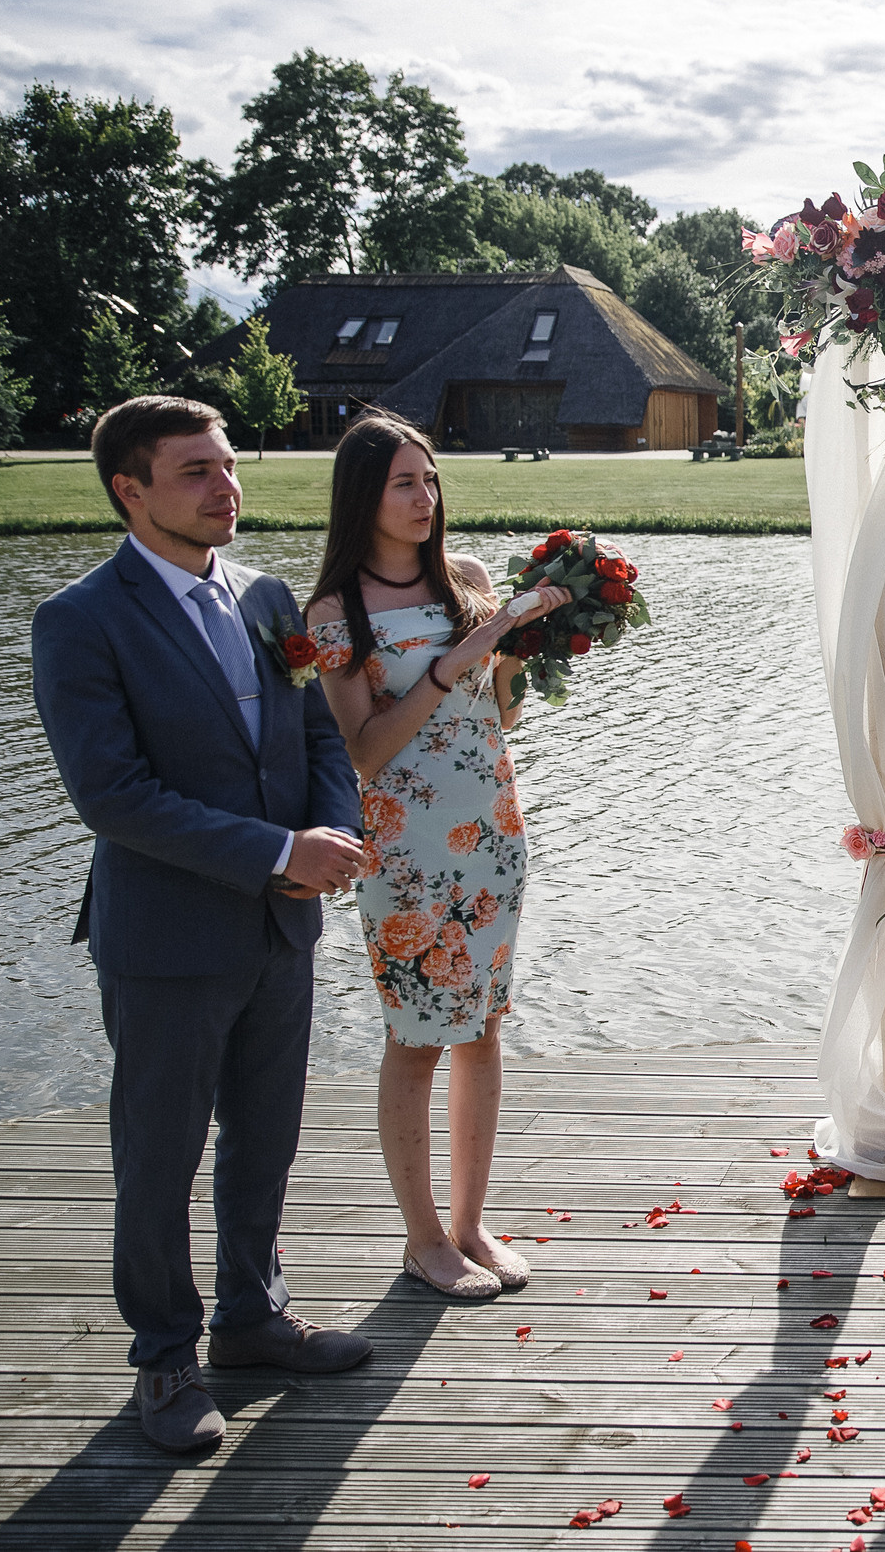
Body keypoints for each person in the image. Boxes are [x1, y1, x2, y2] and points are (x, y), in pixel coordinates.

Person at [31, 396, 374, 1455]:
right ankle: (165, 1359)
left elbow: (318, 733)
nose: (226, 487)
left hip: (281, 932)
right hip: (169, 937)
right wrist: (277, 854)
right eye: (194, 472)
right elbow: (113, 796)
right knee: (160, 1154)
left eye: (228, 466)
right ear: (129, 491)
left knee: (265, 1139)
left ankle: (252, 1319)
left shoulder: (270, 599)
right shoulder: (80, 620)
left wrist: (332, 831)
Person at [304, 414, 569, 1301]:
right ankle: (423, 1241)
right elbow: (367, 750)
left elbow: (505, 717)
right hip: (406, 854)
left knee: (485, 1026)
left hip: (493, 833)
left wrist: (521, 641)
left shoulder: (469, 578)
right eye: (403, 484)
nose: (425, 498)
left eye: (430, 480)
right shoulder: (333, 612)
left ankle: (470, 1223)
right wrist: (457, 661)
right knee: (418, 1036)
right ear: (363, 498)